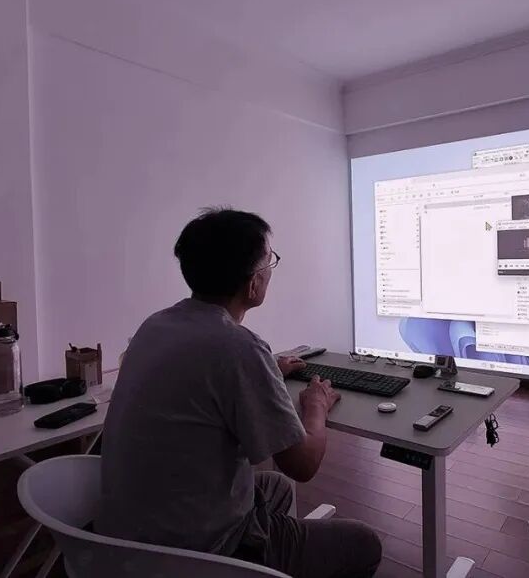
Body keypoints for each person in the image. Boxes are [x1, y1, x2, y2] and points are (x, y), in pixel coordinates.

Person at [97, 208, 382, 578]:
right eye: (269, 261)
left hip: (121, 542)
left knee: (276, 488)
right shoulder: (238, 347)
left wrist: (267, 370)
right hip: (196, 557)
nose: (270, 270)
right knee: (364, 544)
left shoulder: (155, 326)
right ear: (252, 284)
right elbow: (304, 464)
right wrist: (316, 406)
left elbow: (203, 376)